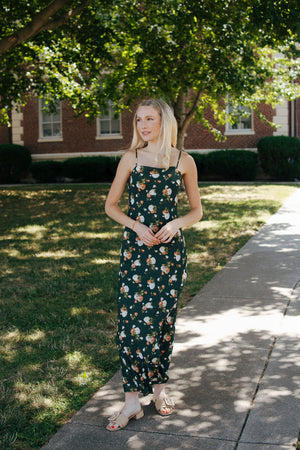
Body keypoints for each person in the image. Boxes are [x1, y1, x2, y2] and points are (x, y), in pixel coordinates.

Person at [105, 98, 203, 431]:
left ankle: (159, 390)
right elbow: (111, 205)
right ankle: (132, 401)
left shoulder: (183, 161)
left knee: (161, 323)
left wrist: (177, 223)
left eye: (150, 119)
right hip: (136, 251)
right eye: (138, 120)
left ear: (165, 122)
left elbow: (196, 210)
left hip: (169, 255)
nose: (143, 126)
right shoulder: (131, 158)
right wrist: (135, 225)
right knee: (131, 323)